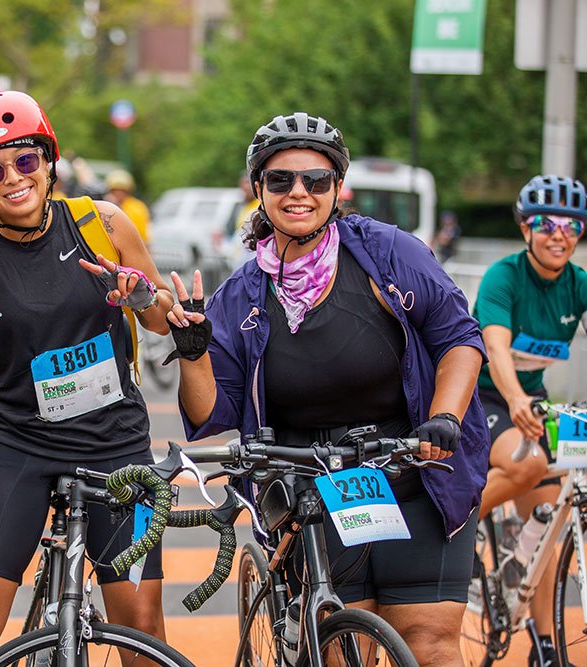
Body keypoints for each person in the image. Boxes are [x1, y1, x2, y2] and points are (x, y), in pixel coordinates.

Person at [169, 112, 489, 667]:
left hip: (410, 465)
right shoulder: (240, 294)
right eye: (281, 180)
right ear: (258, 189)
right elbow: (211, 416)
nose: (299, 193)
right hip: (311, 484)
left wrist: (446, 419)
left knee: (432, 642)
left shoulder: (387, 254)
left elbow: (459, 336)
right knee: (341, 648)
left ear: (338, 188)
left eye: (316, 180)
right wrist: (193, 352)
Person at [0, 90, 174, 667]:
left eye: (26, 160)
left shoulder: (103, 223)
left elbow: (161, 319)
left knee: (141, 624)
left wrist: (141, 293)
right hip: (16, 442)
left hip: (115, 444)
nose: (13, 178)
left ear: (49, 161)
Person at [471, 174, 587, 666]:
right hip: (487, 399)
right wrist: (516, 399)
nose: (558, 234)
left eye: (572, 225)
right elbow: (495, 347)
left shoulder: (578, 285)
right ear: (526, 230)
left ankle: (543, 649)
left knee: (545, 533)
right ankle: (453, 526)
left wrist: (528, 401)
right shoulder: (505, 276)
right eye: (545, 223)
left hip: (534, 402)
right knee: (528, 465)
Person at [104, 168, 151, 246]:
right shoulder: (107, 205)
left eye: (121, 190)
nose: (118, 193)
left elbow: (143, 236)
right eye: (115, 190)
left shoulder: (137, 207)